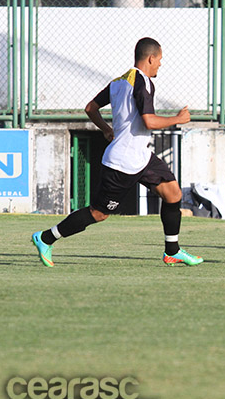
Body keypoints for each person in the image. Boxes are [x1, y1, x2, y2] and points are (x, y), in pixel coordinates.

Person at [31, 37, 202, 267]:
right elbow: (149, 121)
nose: (160, 64)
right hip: (122, 163)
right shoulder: (143, 82)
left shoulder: (118, 82)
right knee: (98, 214)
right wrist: (178, 119)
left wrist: (106, 129)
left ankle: (172, 250)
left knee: (173, 194)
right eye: (160, 60)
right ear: (150, 58)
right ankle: (45, 237)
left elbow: (90, 108)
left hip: (141, 156)